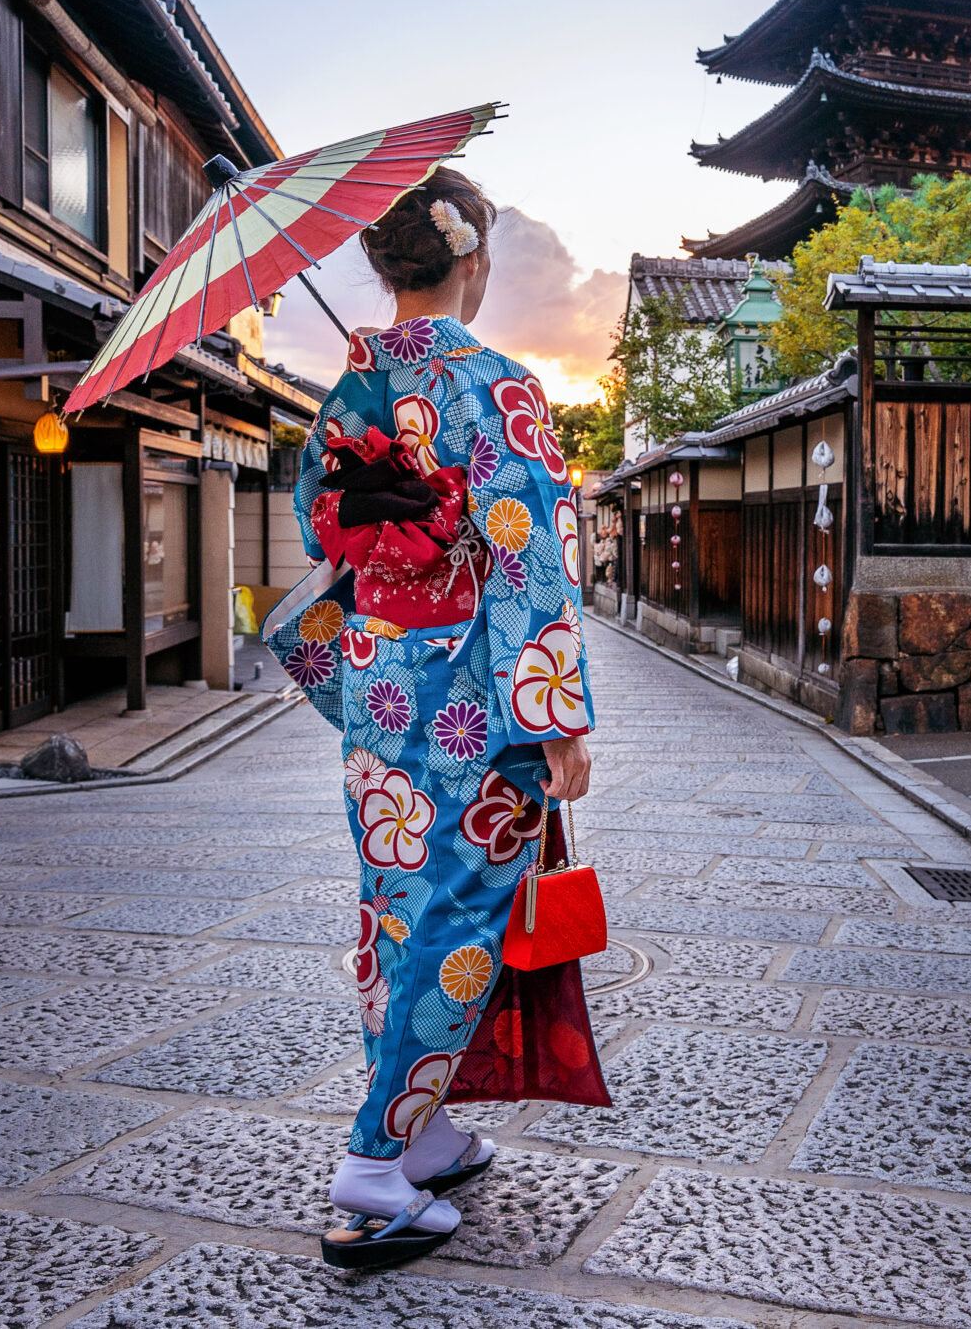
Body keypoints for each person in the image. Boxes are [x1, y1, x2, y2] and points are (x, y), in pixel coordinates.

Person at [285, 166, 595, 1269]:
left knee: (393, 907)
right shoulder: (497, 386)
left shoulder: (349, 385)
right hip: (469, 694)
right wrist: (554, 713)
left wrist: (394, 496)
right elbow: (526, 555)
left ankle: (428, 1134)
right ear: (469, 258)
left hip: (380, 683)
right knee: (464, 920)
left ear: (383, 265)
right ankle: (373, 1165)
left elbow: (322, 523)